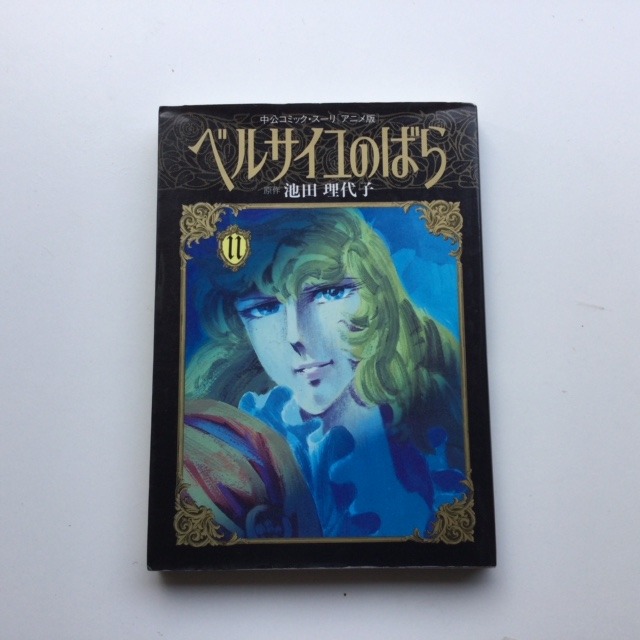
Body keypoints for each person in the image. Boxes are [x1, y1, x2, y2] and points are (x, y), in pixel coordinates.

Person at [183, 208, 466, 539]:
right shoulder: (225, 452)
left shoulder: (439, 418)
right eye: (264, 308)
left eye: (329, 293)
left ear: (378, 298)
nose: (296, 336)